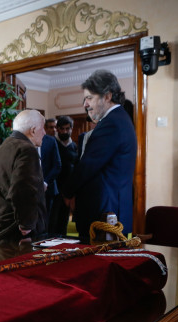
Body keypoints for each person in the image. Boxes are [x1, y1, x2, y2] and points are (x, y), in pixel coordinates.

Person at [62, 70, 137, 244]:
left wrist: (66, 192)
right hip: (109, 210)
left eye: (89, 98)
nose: (85, 104)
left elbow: (87, 166)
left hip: (105, 214)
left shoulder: (111, 124)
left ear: (107, 96)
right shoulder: (119, 119)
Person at [0, 109, 47, 245]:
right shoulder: (27, 149)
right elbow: (21, 190)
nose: (44, 133)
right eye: (43, 129)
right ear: (33, 130)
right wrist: (27, 225)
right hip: (16, 233)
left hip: (0, 229)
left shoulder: (3, 147)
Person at [52, 116, 78, 236]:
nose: (65, 132)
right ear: (57, 129)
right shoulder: (53, 144)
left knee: (64, 220)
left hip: (68, 190)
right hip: (55, 189)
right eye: (62, 129)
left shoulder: (74, 147)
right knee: (53, 221)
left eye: (68, 129)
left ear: (72, 129)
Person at [40, 118, 62, 235]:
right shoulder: (29, 140)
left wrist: (46, 182)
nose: (53, 130)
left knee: (48, 221)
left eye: (55, 127)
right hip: (33, 188)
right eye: (50, 127)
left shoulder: (51, 141)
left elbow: (57, 165)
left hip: (48, 188)